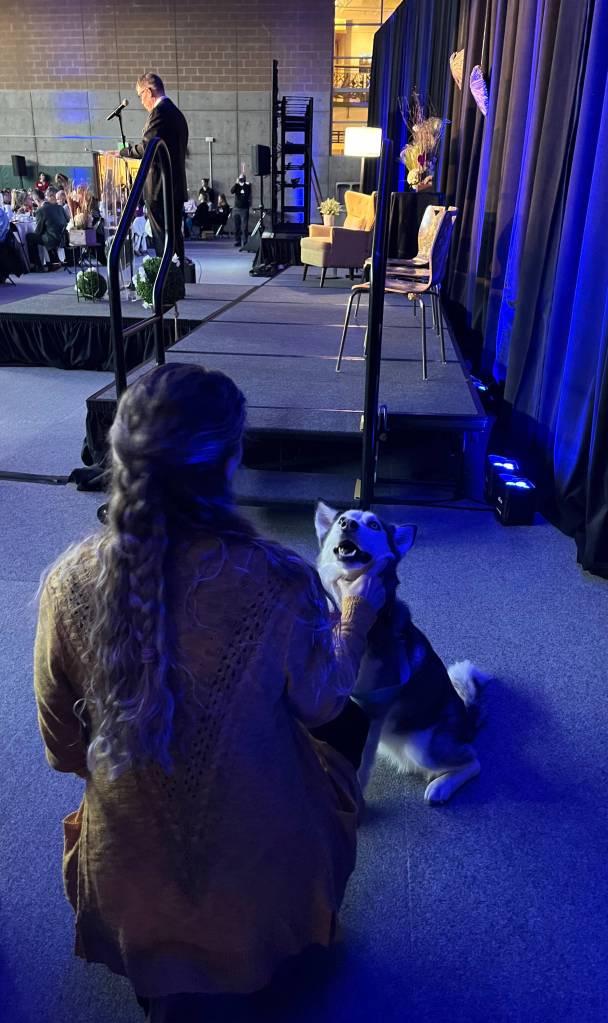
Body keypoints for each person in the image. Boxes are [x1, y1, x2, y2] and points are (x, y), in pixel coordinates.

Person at [34, 362, 385, 1020]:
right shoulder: (278, 580)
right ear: (227, 464)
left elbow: (62, 749)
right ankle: (266, 934)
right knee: (348, 726)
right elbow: (324, 702)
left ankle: (163, 955)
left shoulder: (64, 583)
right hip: (256, 882)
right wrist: (354, 613)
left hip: (123, 878)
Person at [119, 72, 189, 276]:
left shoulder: (160, 113)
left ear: (149, 91)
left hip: (160, 187)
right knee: (173, 238)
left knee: (164, 239)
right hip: (173, 186)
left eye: (141, 95)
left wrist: (124, 152)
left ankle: (166, 283)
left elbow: (148, 147)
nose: (141, 101)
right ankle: (176, 282)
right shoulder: (176, 113)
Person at [26, 186, 68, 270]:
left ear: (37, 200)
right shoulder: (59, 207)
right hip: (63, 237)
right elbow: (67, 220)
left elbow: (38, 231)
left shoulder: (41, 210)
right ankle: (53, 260)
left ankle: (36, 264)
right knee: (46, 233)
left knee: (29, 237)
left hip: (52, 239)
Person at [230, 171, 252, 249]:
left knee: (244, 227)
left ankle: (245, 241)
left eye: (242, 178)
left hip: (244, 209)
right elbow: (232, 191)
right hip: (236, 208)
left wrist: (244, 184)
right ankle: (237, 241)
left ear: (245, 179)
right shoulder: (237, 186)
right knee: (236, 226)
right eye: (240, 178)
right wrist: (236, 183)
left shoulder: (247, 185)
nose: (241, 179)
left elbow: (247, 193)